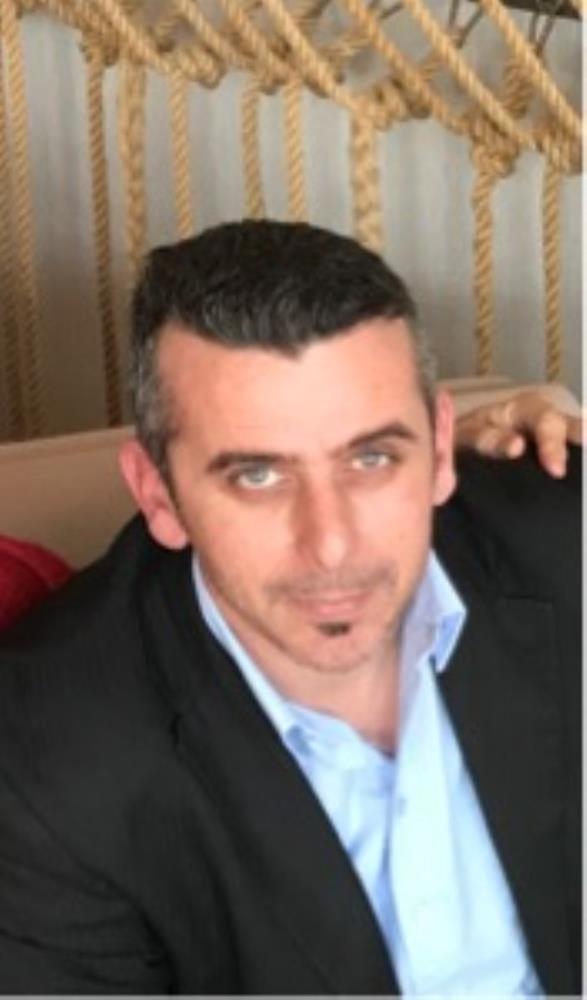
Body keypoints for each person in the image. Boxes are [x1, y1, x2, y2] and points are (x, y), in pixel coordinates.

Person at [0, 220, 580, 996]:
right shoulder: (44, 765)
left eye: (371, 457)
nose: (331, 543)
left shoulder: (565, 541)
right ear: (157, 495)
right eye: (258, 476)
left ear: (440, 449)